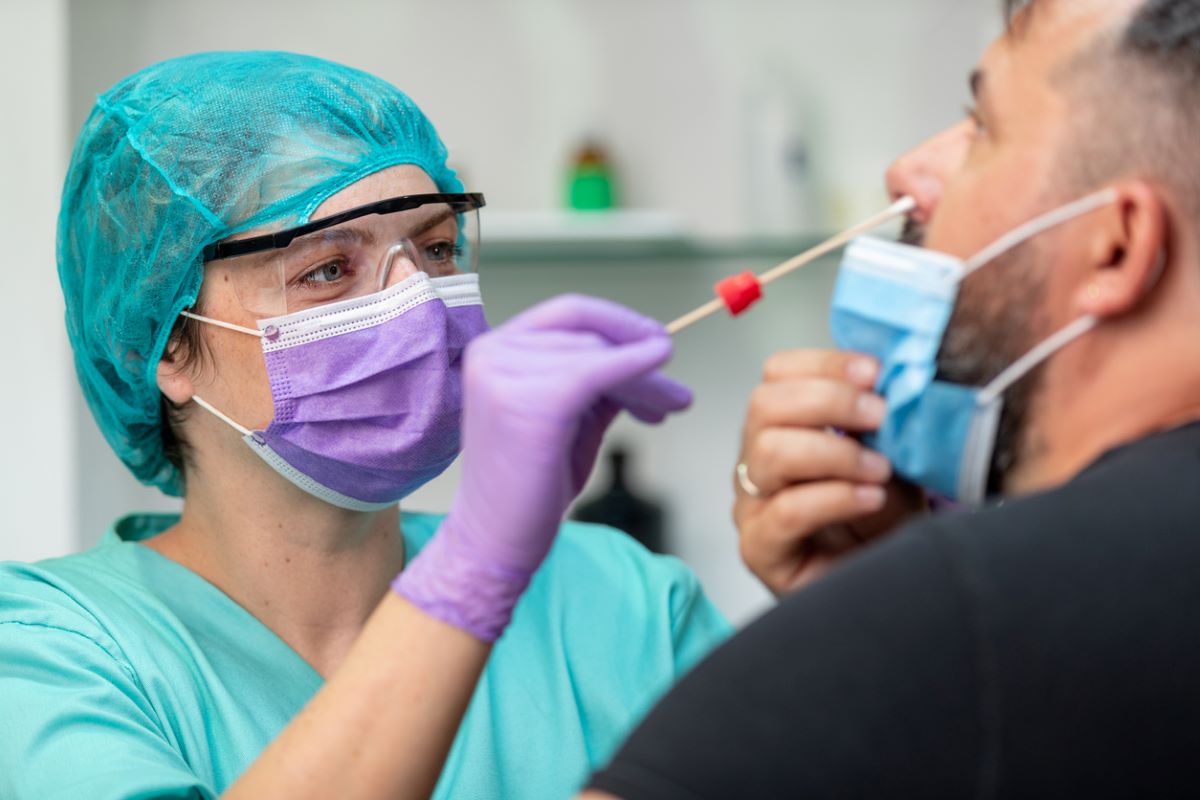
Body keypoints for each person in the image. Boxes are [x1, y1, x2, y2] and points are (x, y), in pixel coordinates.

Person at [0, 51, 730, 799]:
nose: (421, 307)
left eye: (438, 248)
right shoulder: (49, 652)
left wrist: (836, 606)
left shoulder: (625, 601)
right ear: (155, 342)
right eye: (326, 270)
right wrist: (472, 574)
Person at [585, 0, 1200, 796]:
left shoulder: (959, 621)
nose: (907, 172)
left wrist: (875, 631)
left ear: (1115, 244)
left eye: (982, 124)